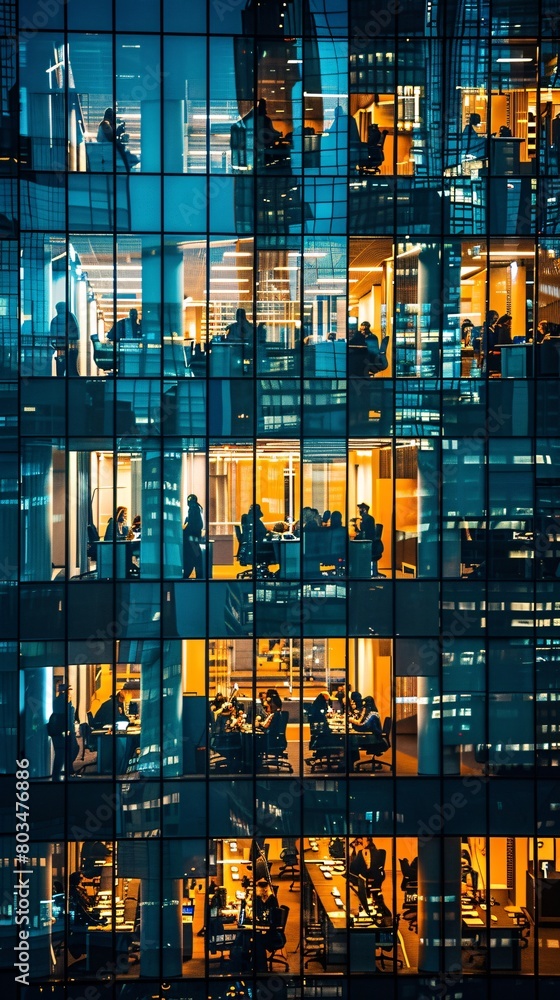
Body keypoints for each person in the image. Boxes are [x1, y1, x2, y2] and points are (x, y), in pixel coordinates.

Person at [49, 682, 78, 781]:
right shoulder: (63, 702)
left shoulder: (60, 701)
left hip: (63, 730)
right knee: (64, 752)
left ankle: (67, 771)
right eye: (69, 690)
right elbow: (65, 716)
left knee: (65, 751)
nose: (70, 692)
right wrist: (69, 729)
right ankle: (61, 773)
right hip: (64, 730)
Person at [349, 695, 384, 767]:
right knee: (352, 740)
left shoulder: (372, 715)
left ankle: (350, 763)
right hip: (374, 735)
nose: (363, 707)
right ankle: (350, 762)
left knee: (352, 741)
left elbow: (365, 726)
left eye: (365, 706)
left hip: (374, 738)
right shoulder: (372, 713)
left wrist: (354, 726)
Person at [50, 302, 79, 377]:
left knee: (61, 367)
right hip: (72, 346)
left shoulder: (54, 320)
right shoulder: (71, 317)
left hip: (60, 347)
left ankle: (61, 379)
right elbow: (77, 333)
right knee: (72, 366)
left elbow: (52, 335)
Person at [183, 494, 204, 579]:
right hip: (193, 540)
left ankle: (193, 577)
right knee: (196, 558)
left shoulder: (193, 510)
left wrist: (184, 530)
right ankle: (198, 577)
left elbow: (193, 525)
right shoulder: (197, 509)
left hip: (191, 540)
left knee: (194, 559)